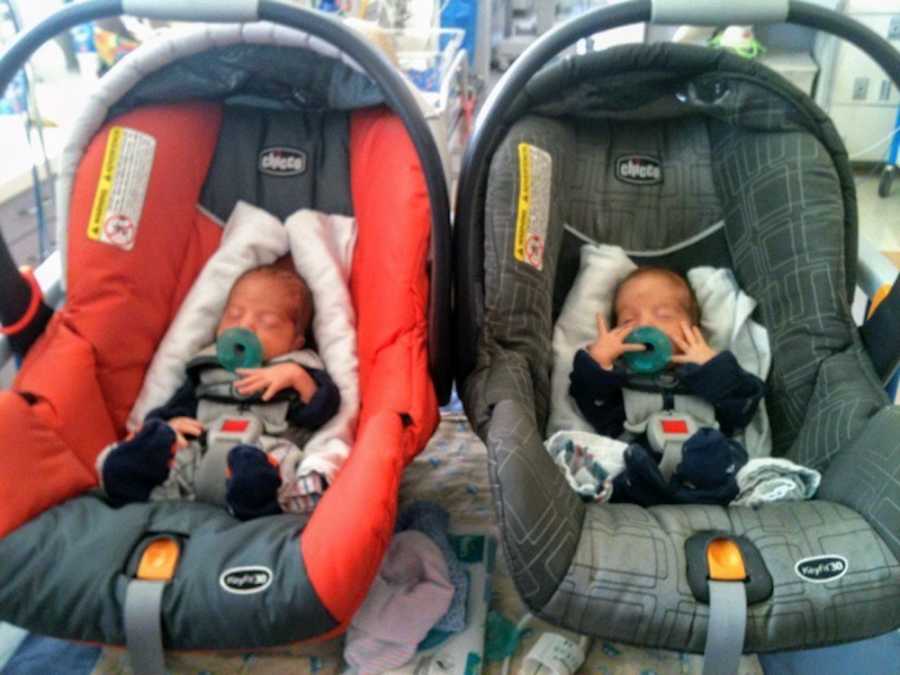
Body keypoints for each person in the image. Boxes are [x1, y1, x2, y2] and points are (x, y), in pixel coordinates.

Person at [96, 259, 341, 519]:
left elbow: (324, 410)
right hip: (202, 450)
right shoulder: (206, 368)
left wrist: (297, 377)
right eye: (234, 315)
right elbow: (177, 405)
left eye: (267, 322)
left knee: (272, 466)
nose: (244, 326)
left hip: (263, 451)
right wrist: (171, 424)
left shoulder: (296, 371)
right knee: (163, 446)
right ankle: (126, 477)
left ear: (295, 342)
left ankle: (252, 496)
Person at [568, 266, 765, 505]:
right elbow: (590, 401)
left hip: (706, 464)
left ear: (695, 330)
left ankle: (704, 485)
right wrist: (598, 362)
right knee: (583, 455)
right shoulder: (619, 380)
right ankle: (641, 483)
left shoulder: (712, 373)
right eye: (628, 320)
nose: (645, 326)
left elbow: (743, 409)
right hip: (638, 467)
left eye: (663, 315)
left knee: (724, 454)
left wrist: (713, 368)